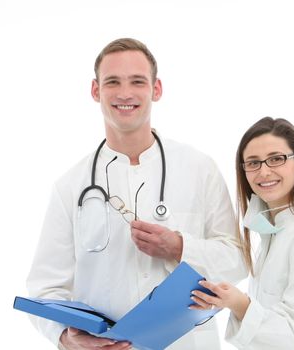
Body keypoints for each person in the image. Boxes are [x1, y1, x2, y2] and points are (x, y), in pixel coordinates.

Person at [26, 38, 246, 350]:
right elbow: (46, 288)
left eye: (137, 82)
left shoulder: (200, 169)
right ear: (95, 90)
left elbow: (238, 260)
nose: (125, 93)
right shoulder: (69, 187)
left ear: (156, 90)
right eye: (112, 81)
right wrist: (65, 337)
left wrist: (180, 247)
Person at [190, 117, 294, 350]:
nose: (264, 172)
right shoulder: (272, 233)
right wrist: (227, 300)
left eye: (276, 159)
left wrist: (240, 304)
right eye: (253, 163)